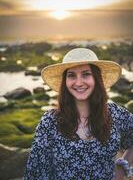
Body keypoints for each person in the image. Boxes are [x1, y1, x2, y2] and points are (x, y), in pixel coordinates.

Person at [24, 48, 133, 180]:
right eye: (71, 75)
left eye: (86, 74)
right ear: (65, 81)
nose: (79, 82)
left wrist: (122, 166)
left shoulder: (115, 113)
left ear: (96, 78)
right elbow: (35, 173)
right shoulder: (50, 121)